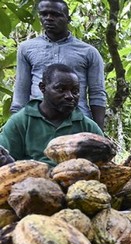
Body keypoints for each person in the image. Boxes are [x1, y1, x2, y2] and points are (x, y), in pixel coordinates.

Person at [11, 0, 106, 130]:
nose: (49, 18)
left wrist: (98, 131)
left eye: (56, 14)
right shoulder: (26, 48)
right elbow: (21, 91)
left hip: (77, 121)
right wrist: (16, 126)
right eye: (44, 14)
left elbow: (97, 94)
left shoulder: (88, 52)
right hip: (37, 121)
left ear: (68, 19)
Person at [0, 63, 103, 167]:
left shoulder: (88, 127)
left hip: (77, 176)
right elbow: (6, 160)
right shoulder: (21, 122)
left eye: (75, 91)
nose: (70, 96)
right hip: (29, 176)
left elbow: (104, 163)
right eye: (61, 89)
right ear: (43, 87)